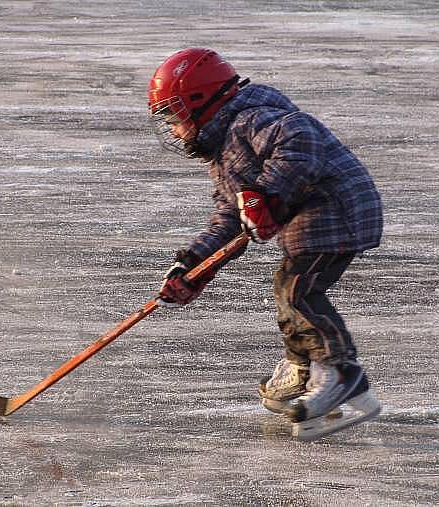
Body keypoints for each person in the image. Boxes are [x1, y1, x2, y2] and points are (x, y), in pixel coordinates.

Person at [148, 48, 382, 440]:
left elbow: (302, 139)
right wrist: (191, 265)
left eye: (174, 117)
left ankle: (339, 371)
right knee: (288, 288)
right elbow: (229, 216)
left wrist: (267, 196)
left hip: (336, 208)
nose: (173, 130)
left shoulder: (250, 119)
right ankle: (302, 366)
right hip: (313, 218)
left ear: (199, 102)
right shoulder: (222, 151)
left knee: (298, 289)